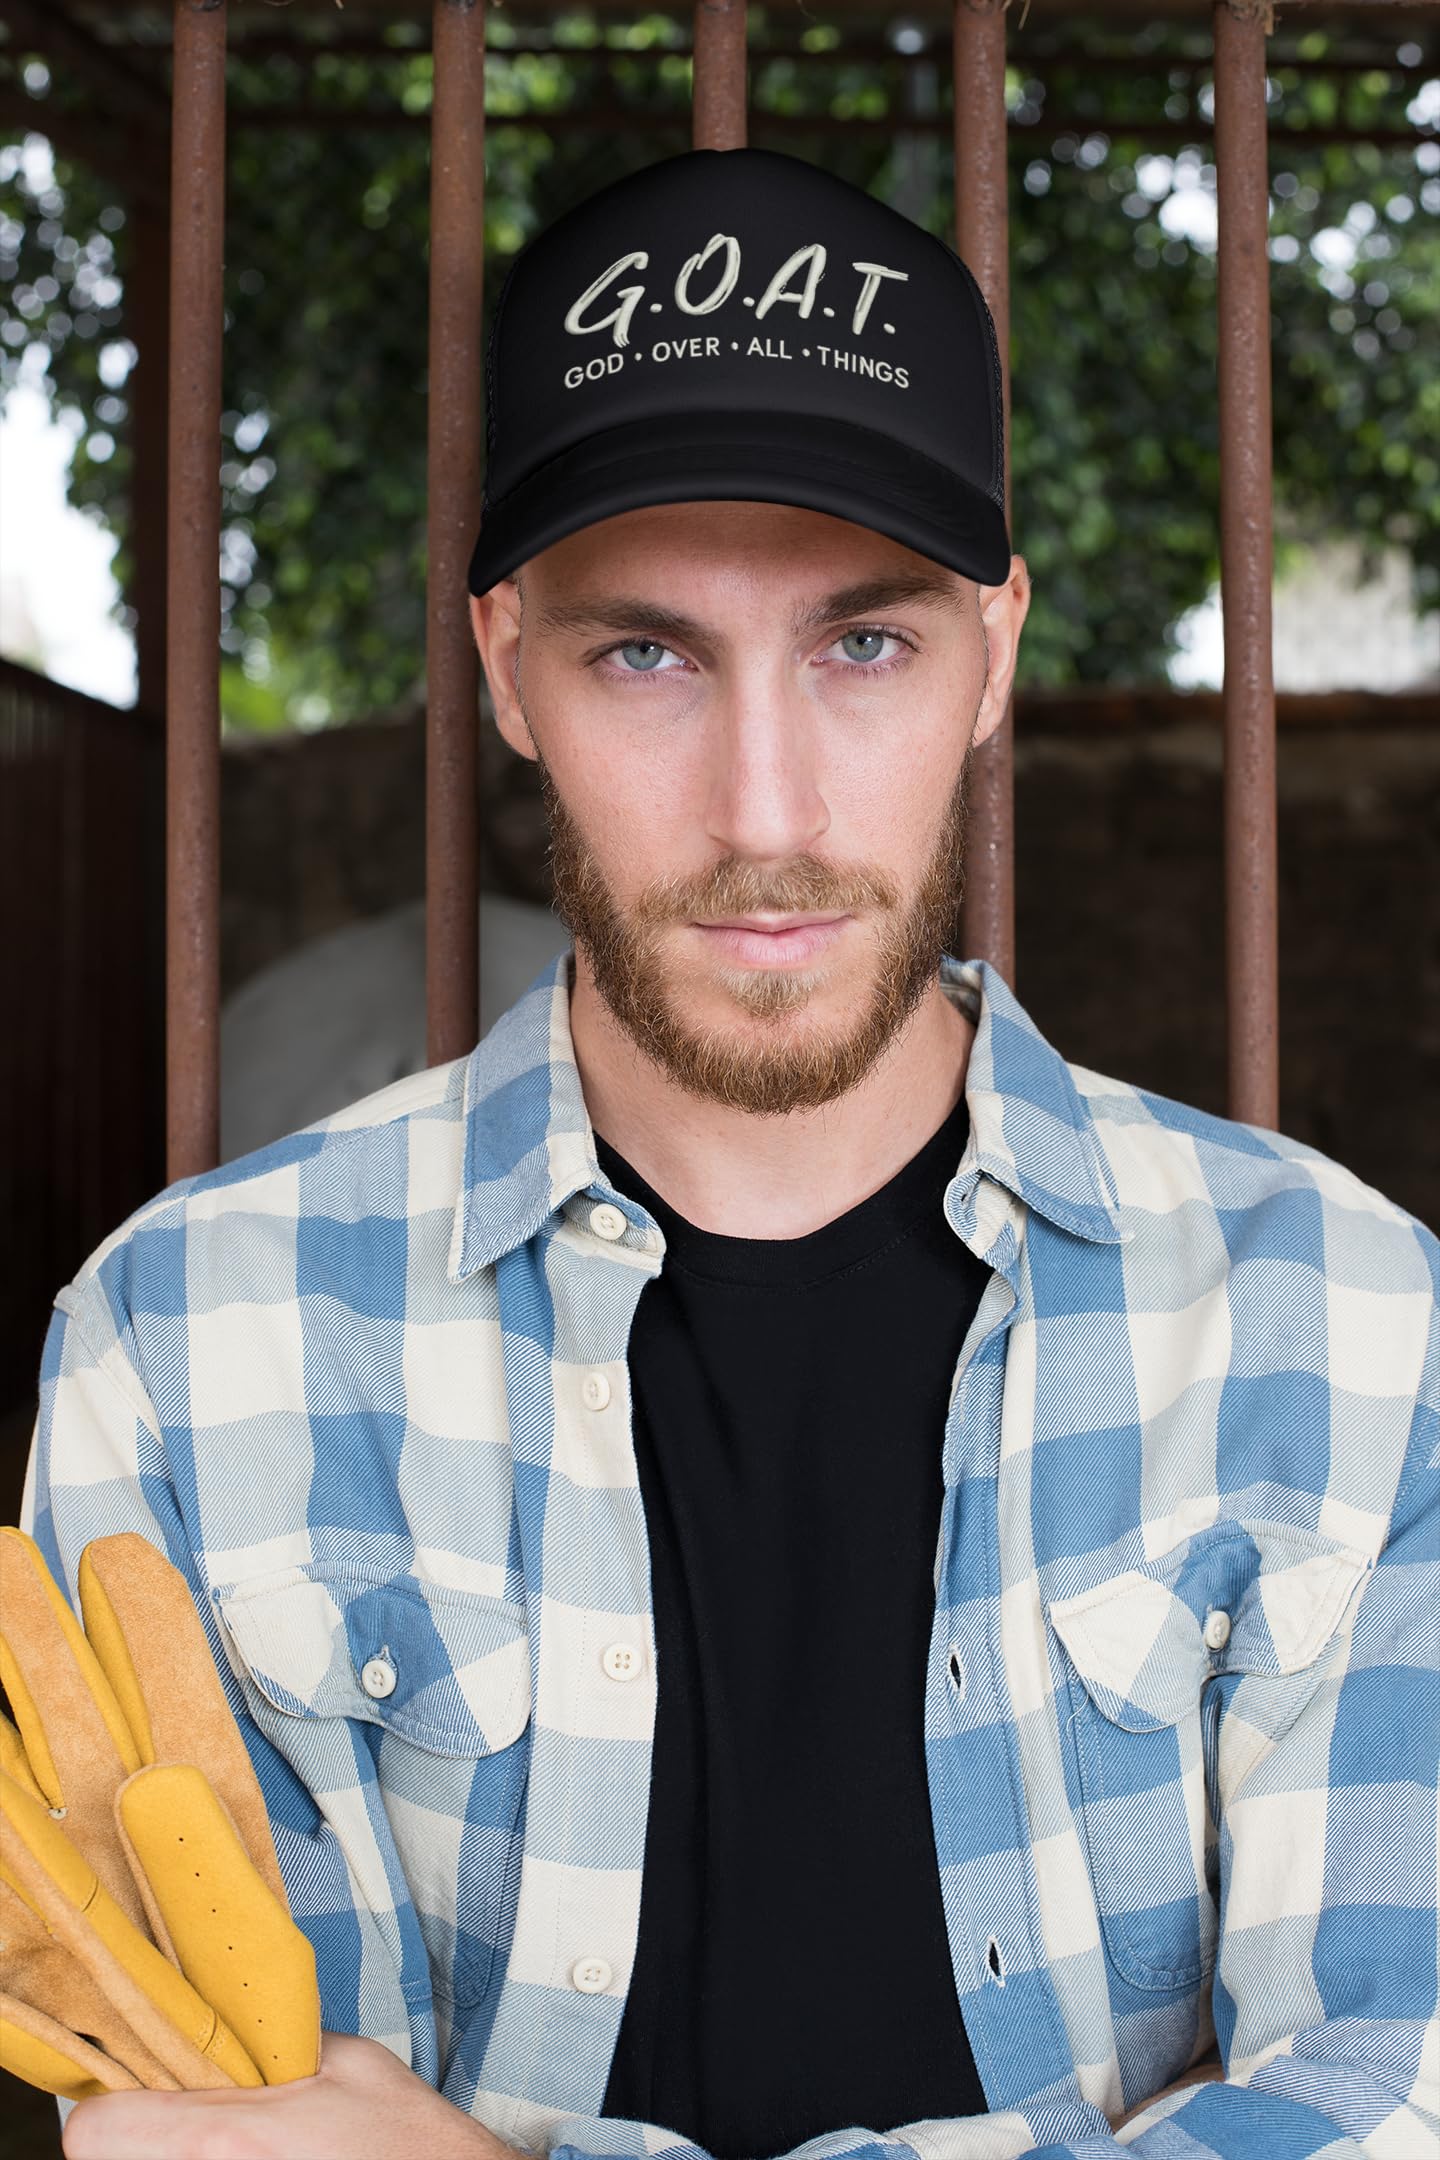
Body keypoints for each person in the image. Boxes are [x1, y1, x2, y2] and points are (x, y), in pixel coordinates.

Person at [26, 148, 1437, 2160]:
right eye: (645, 655)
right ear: (506, 666)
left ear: (995, 653)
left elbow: (1397, 2098)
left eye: (864, 646)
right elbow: (199, 2124)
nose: (764, 810)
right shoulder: (185, 1344)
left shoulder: (1351, 1332)